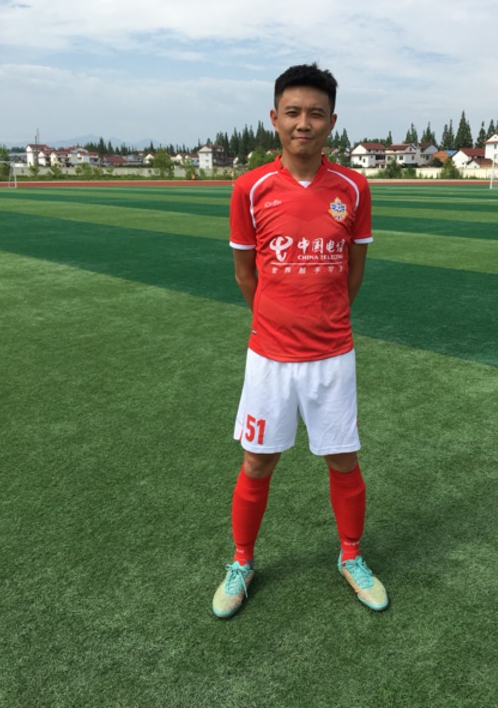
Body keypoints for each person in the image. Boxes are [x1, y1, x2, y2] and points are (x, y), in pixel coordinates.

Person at [212, 63, 388, 618]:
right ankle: (241, 562)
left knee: (343, 459)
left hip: (332, 354)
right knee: (257, 462)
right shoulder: (250, 188)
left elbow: (353, 272)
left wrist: (323, 317)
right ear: (274, 118)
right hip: (269, 356)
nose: (303, 123)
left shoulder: (353, 187)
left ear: (332, 121)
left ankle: (351, 556)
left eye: (316, 113)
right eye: (293, 112)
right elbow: (246, 274)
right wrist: (277, 318)